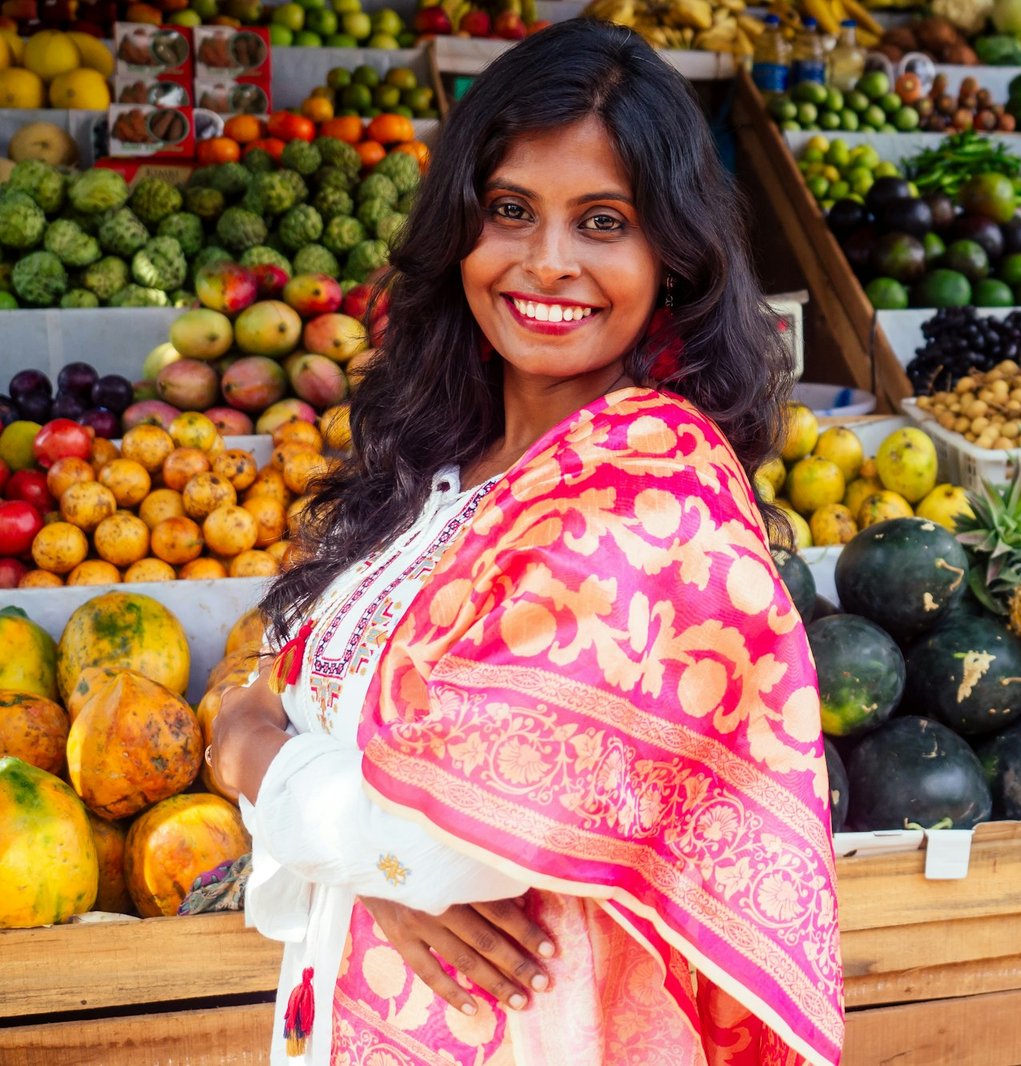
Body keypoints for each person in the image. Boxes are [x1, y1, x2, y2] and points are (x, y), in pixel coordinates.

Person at [209, 21, 843, 1066]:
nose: (548, 262)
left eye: (603, 221)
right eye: (510, 210)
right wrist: (353, 838)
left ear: (671, 257)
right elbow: (296, 692)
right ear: (459, 227)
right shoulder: (442, 470)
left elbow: (427, 840)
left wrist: (248, 747)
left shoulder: (651, 488)